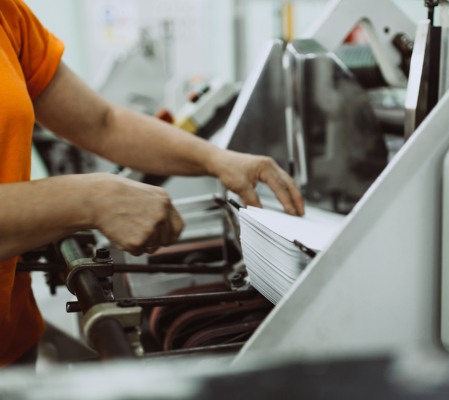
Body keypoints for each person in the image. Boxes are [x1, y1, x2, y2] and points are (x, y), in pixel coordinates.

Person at [0, 0, 304, 367]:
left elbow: (103, 122)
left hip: (13, 337)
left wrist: (220, 160)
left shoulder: (8, 14)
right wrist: (90, 200)